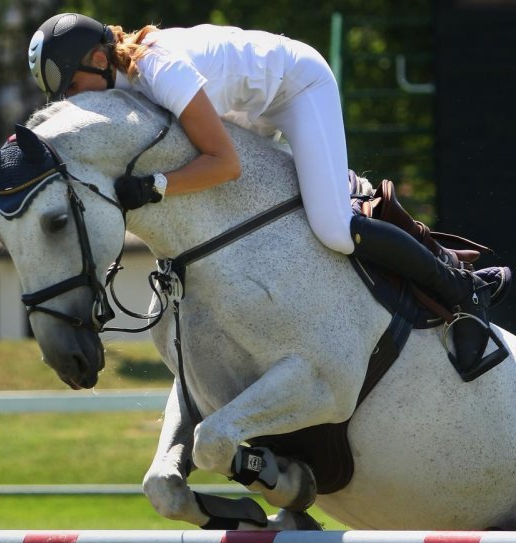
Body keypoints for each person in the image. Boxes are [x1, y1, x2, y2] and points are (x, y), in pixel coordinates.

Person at [27, 13, 510, 373]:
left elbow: (225, 164)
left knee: (334, 229)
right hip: (247, 109)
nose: (73, 102)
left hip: (295, 88)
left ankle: (466, 288)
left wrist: (156, 187)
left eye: (71, 86)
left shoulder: (157, 72)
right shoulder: (128, 86)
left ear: (97, 58)